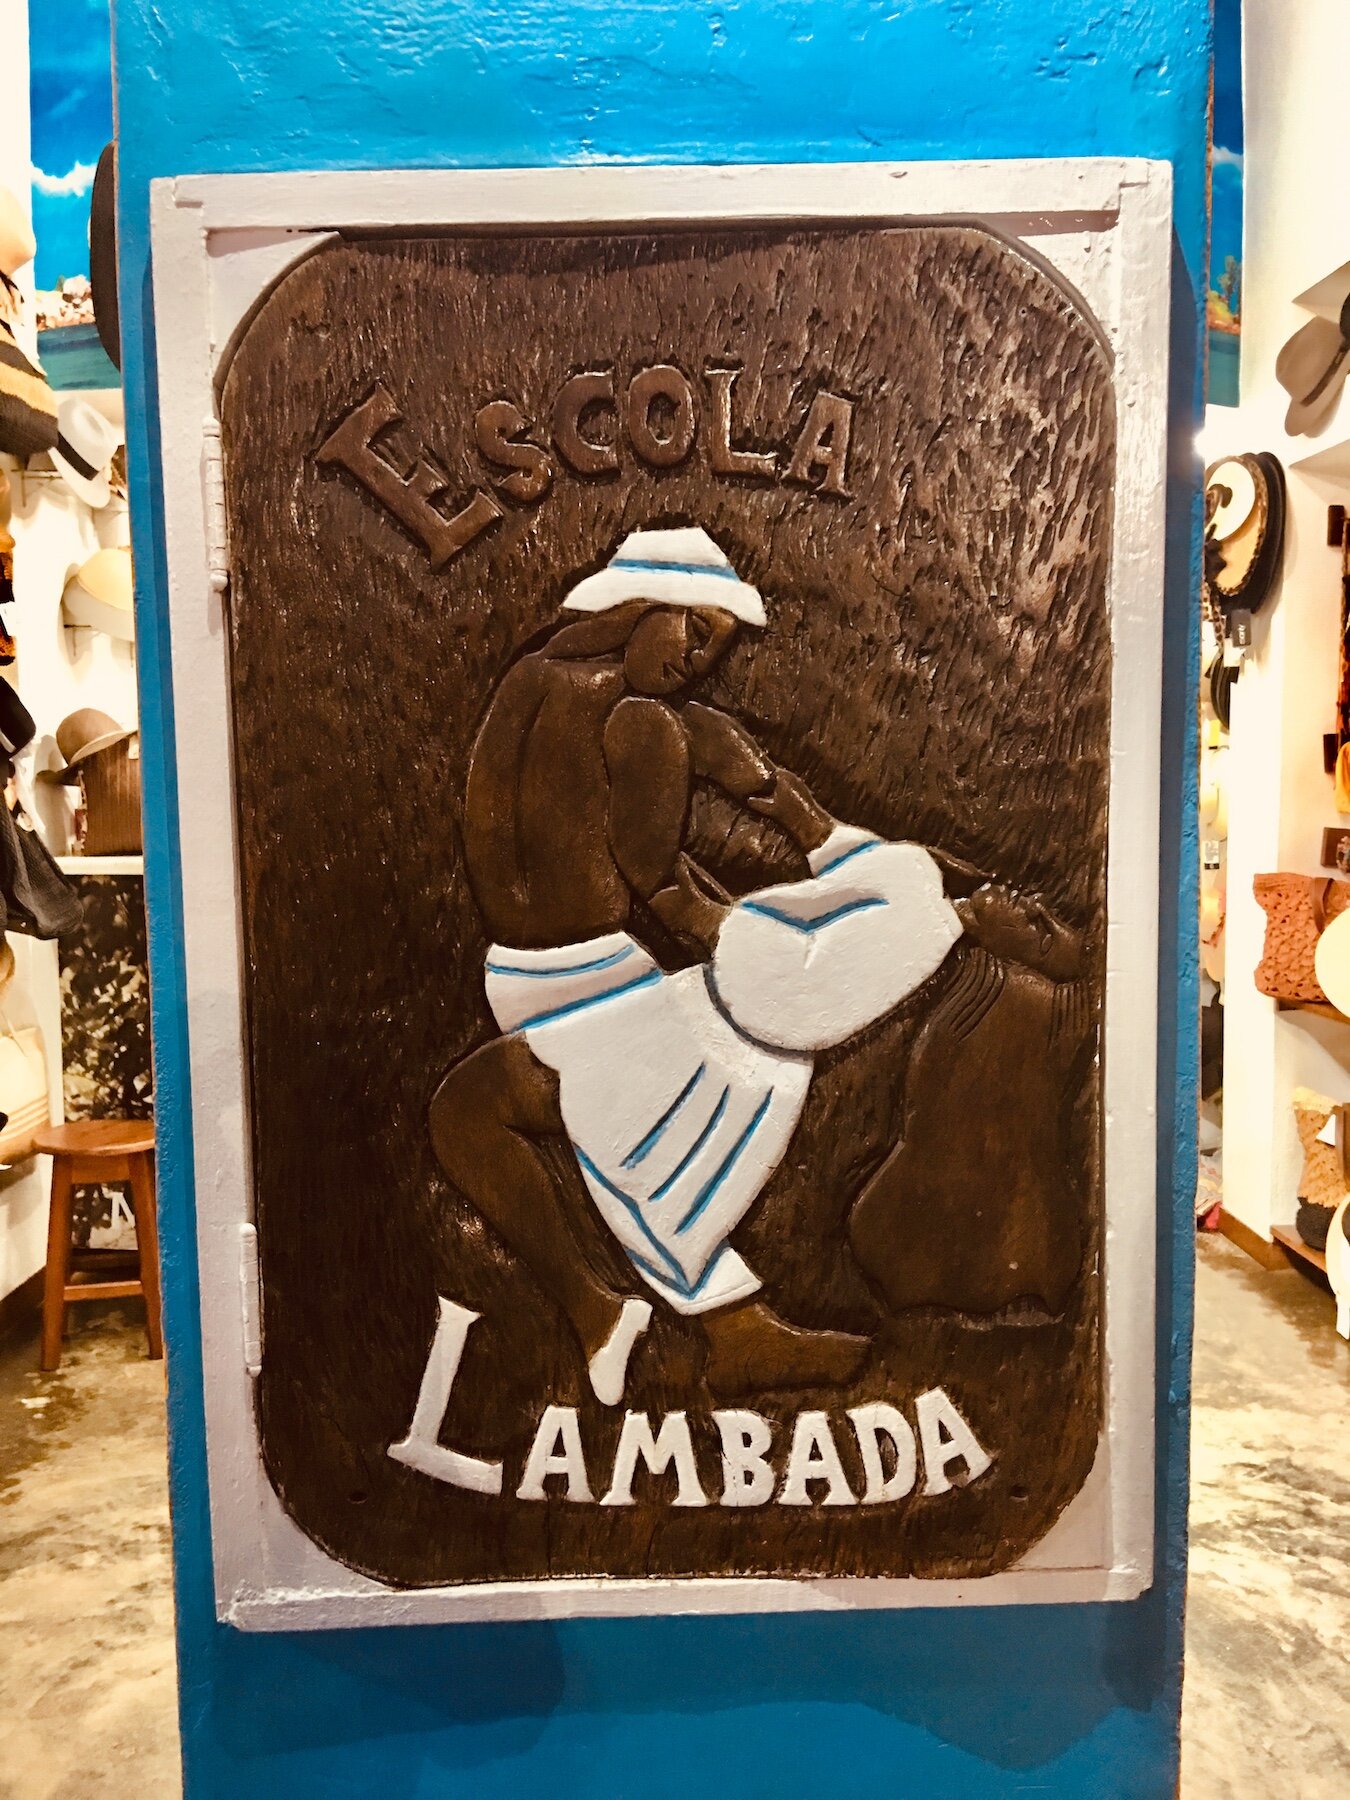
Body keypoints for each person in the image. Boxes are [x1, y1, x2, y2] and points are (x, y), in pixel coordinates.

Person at [430, 527, 1070, 1404]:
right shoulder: (538, 684)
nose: (697, 662)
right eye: (694, 634)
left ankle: (633, 1320)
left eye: (714, 650)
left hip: (598, 978)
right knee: (616, 1153)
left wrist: (761, 933)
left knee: (484, 1118)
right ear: (637, 606)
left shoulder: (655, 722)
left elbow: (749, 810)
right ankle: (696, 1331)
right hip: (525, 974)